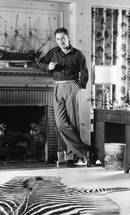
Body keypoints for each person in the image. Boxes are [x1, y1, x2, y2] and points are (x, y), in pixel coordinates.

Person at [37, 27, 92, 167]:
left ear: (68, 38)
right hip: (57, 87)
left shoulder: (78, 54)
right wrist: (47, 67)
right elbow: (39, 64)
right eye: (58, 39)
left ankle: (71, 157)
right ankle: (86, 151)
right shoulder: (52, 53)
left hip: (71, 87)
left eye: (63, 38)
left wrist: (77, 87)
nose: (60, 41)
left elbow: (85, 74)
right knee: (61, 123)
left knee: (73, 122)